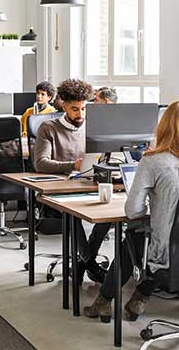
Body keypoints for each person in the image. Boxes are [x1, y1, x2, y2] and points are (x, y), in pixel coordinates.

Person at [84, 99, 179, 322]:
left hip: (170, 253)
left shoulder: (153, 160)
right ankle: (139, 298)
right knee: (154, 239)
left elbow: (133, 211)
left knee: (134, 238)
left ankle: (104, 302)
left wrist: (155, 209)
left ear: (163, 126)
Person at [33, 79, 108, 283]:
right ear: (63, 105)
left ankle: (84, 262)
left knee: (111, 214)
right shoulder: (48, 128)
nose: (80, 114)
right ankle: (90, 263)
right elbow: (41, 163)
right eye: (75, 109)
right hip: (58, 190)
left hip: (88, 184)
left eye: (84, 109)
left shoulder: (92, 126)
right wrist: (72, 166)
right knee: (72, 214)